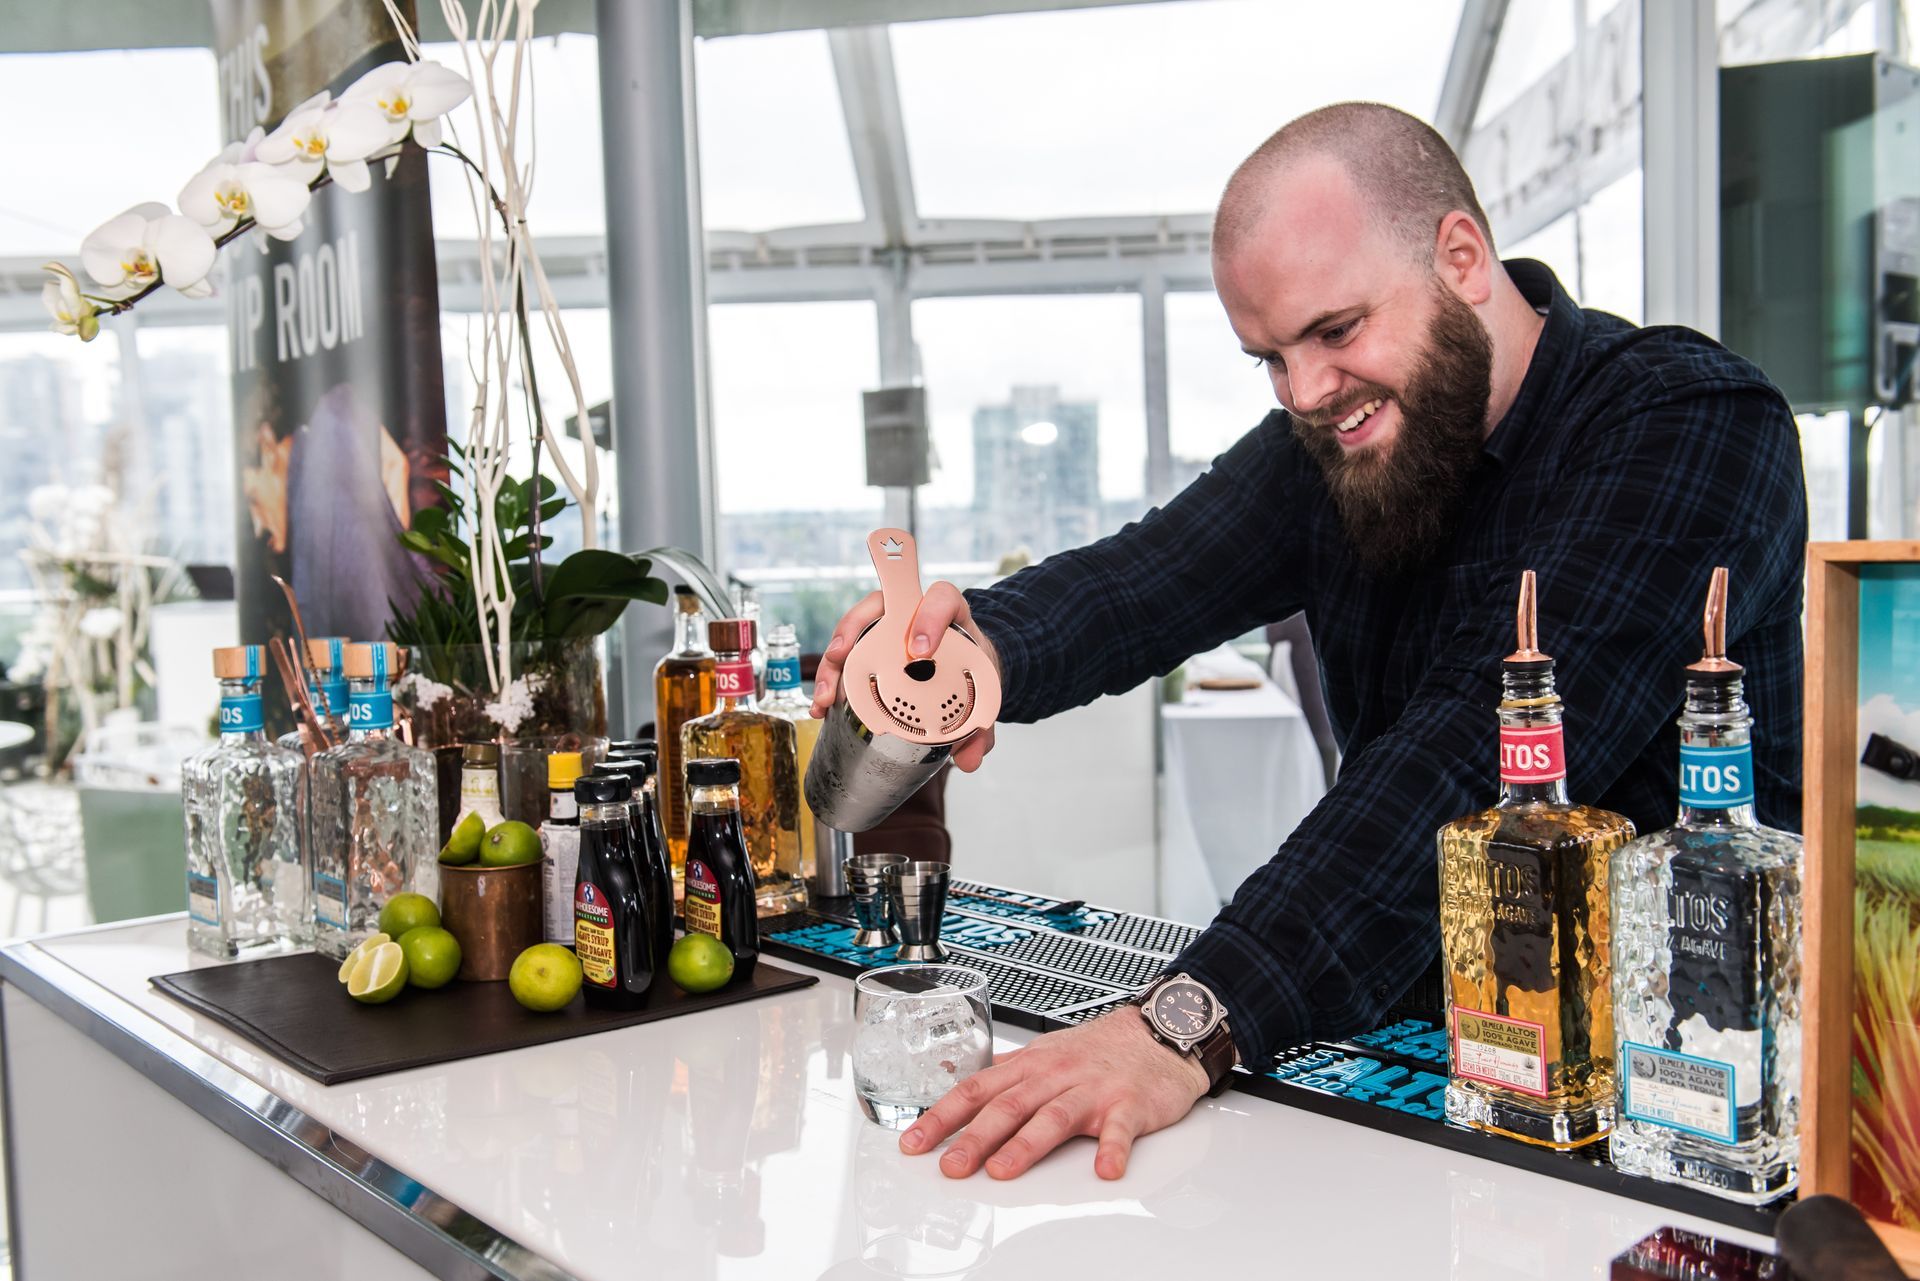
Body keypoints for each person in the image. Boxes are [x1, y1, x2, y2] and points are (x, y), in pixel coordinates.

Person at [811, 102, 1808, 1182]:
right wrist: (965, 655)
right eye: (1269, 359)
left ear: (1462, 258)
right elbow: (1150, 577)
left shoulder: (1690, 423)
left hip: (1691, 1103)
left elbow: (1467, 759)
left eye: (1335, 332)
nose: (1305, 391)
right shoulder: (1342, 434)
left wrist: (1183, 1021)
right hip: (1436, 1059)